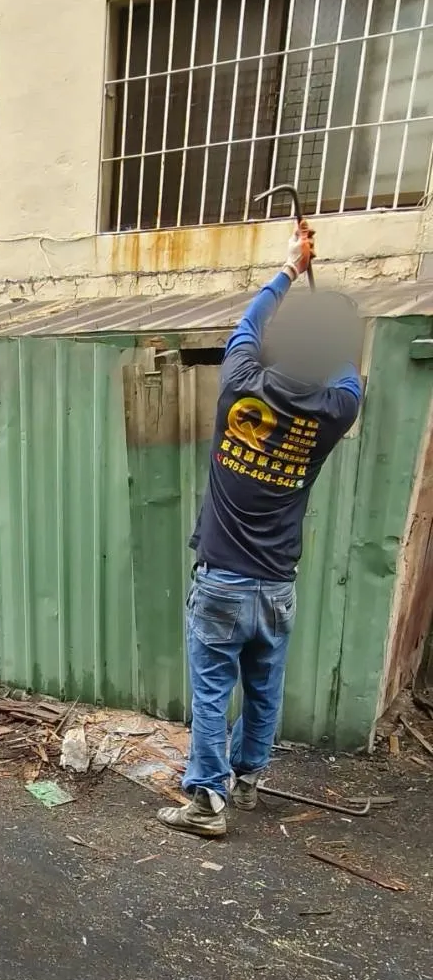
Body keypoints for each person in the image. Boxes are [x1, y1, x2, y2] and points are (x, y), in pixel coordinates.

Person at [159, 223, 363, 839]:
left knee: (212, 691)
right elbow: (348, 370)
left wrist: (290, 268)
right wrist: (336, 331)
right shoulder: (336, 410)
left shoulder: (239, 384)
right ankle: (248, 779)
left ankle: (207, 802)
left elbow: (247, 326)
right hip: (276, 587)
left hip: (222, 584)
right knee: (264, 687)